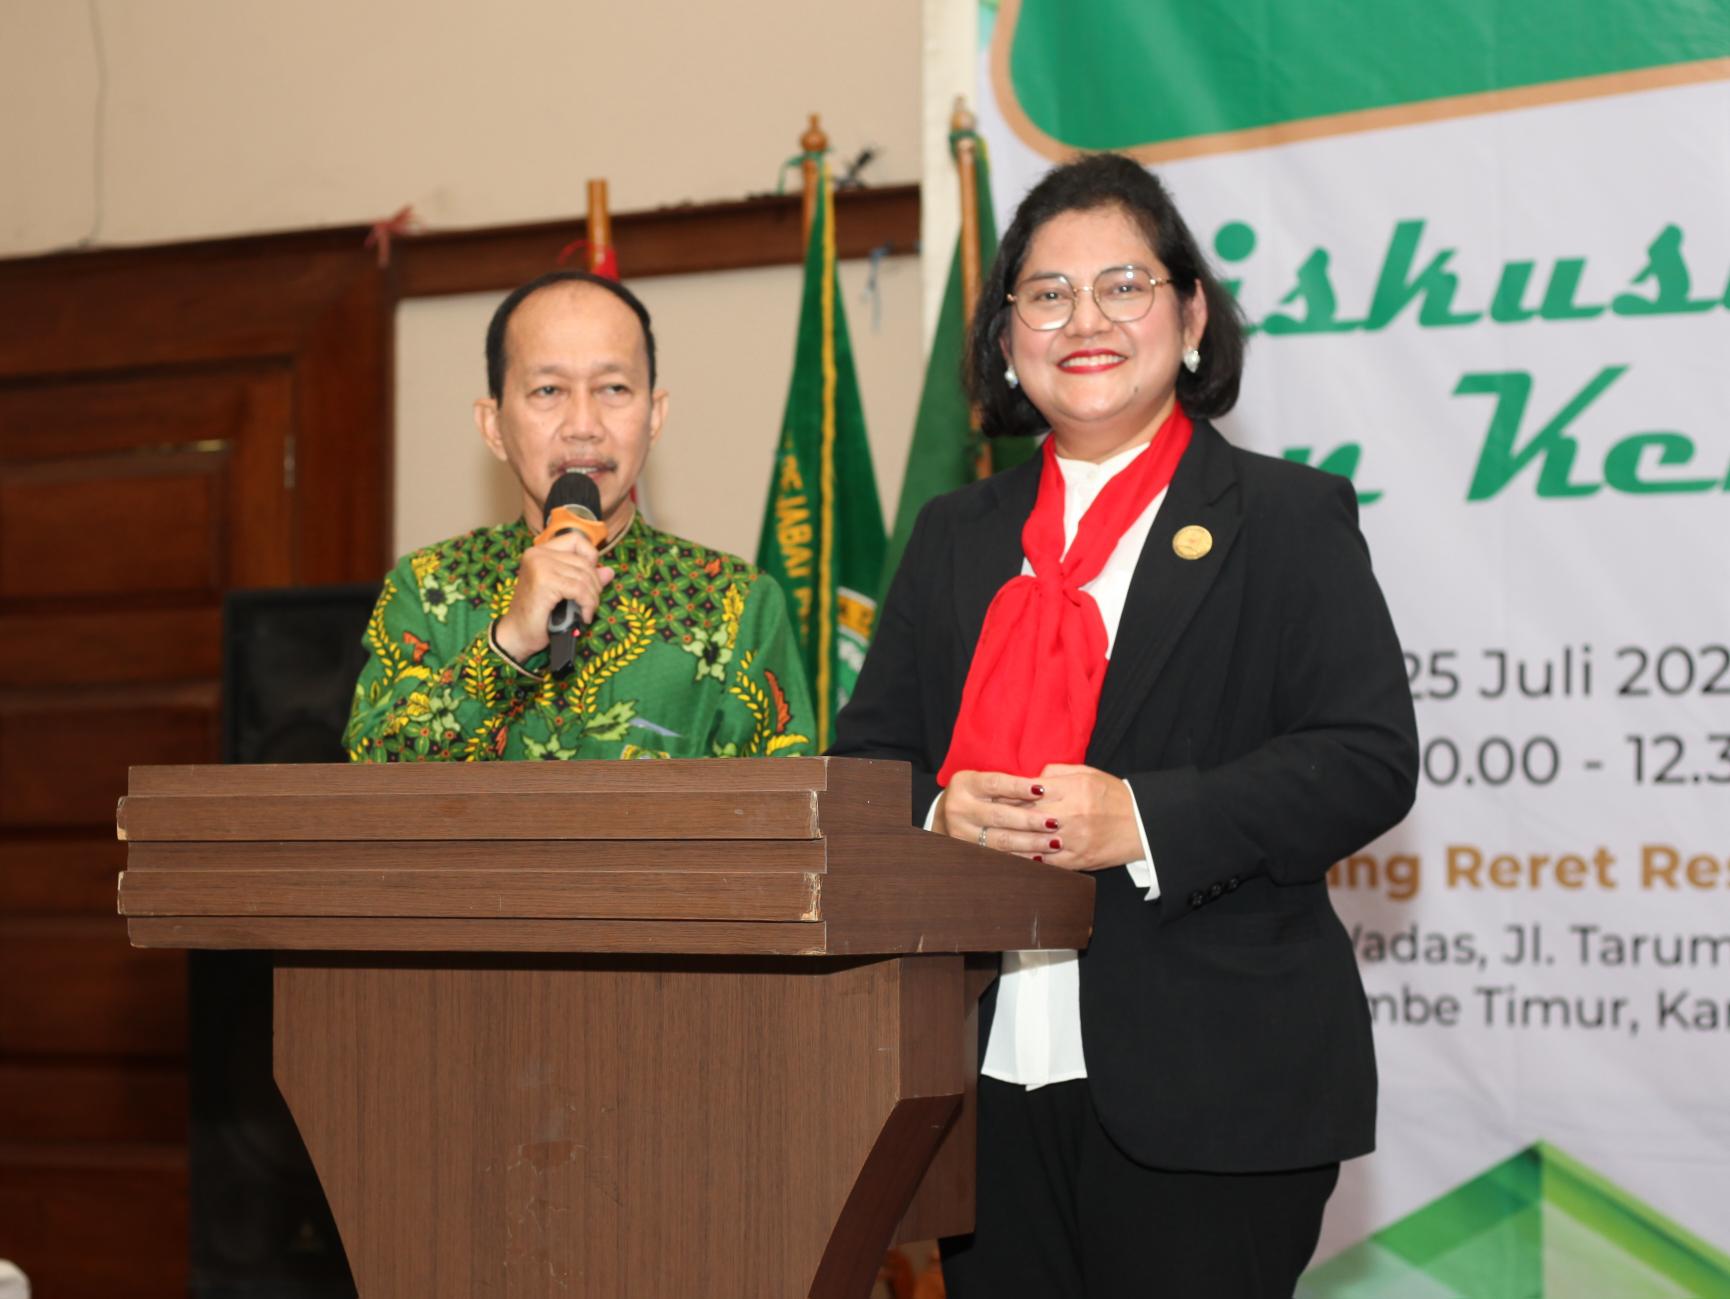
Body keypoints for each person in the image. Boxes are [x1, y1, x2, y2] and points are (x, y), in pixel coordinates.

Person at [831, 154, 1419, 1296]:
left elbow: (1363, 759)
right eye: (1044, 295)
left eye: (1123, 286)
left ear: (1189, 315)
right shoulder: (956, 534)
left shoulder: (1285, 518)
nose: (1082, 320)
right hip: (973, 1075)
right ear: (1005, 339)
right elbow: (866, 766)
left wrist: (1142, 817)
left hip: (1214, 1086)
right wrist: (946, 808)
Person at [345, 270, 815, 762]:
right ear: (493, 424)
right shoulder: (428, 588)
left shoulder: (735, 600)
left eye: (613, 388)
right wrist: (506, 646)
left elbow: (788, 811)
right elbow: (373, 779)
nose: (584, 427)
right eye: (548, 390)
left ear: (654, 416)